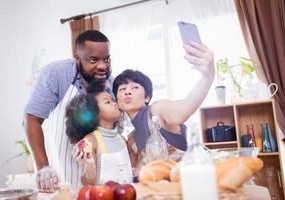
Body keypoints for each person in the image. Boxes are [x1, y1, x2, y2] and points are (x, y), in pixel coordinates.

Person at [23, 30, 112, 191]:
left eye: (106, 59)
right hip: (59, 176)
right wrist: (44, 168)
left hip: (98, 179)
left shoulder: (108, 82)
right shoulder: (56, 73)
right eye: (93, 59)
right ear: (77, 58)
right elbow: (31, 120)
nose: (102, 66)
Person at [112, 41, 214, 168]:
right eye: (122, 89)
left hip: (199, 177)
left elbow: (183, 110)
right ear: (117, 100)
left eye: (135, 87)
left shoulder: (156, 110)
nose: (127, 91)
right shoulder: (131, 139)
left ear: (147, 97)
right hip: (165, 187)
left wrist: (207, 79)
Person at [65, 80, 133, 185]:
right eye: (108, 102)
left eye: (113, 100)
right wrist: (89, 164)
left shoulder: (122, 139)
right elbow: (88, 183)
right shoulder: (90, 141)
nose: (115, 103)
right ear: (94, 114)